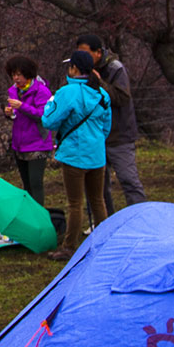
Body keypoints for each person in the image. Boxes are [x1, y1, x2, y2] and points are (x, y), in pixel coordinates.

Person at [42, 51, 112, 255]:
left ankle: (69, 247)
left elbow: (49, 121)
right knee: (97, 200)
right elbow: (106, 127)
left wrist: (50, 104)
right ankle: (105, 242)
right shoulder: (101, 93)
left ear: (74, 69)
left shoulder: (67, 93)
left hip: (74, 156)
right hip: (97, 155)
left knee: (75, 203)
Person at [74, 33, 147, 209]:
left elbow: (122, 98)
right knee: (96, 185)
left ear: (98, 52)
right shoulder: (80, 71)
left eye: (86, 53)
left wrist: (99, 82)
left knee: (128, 179)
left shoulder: (116, 69)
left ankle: (141, 216)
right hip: (94, 136)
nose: (82, 58)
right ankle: (104, 221)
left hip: (118, 135)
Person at [2, 55, 55, 206]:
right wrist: (10, 114)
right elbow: (17, 116)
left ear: (28, 73)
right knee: (26, 185)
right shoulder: (13, 91)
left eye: (19, 74)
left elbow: (43, 115)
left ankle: (40, 217)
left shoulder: (41, 91)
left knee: (35, 183)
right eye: (13, 74)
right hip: (20, 143)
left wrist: (22, 106)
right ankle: (30, 217)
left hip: (38, 144)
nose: (16, 78)